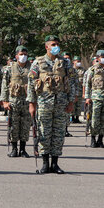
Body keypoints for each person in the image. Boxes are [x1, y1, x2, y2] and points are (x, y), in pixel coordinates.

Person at [27, 35, 78, 173]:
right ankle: (45, 163)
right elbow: (31, 84)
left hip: (61, 104)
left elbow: (72, 83)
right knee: (44, 132)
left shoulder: (65, 63)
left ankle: (55, 163)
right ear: (47, 47)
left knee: (59, 133)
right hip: (44, 103)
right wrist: (32, 104)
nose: (56, 46)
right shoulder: (38, 62)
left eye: (57, 44)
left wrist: (71, 102)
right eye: (53, 44)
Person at [0, 46, 31, 157]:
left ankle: (23, 149)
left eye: (25, 54)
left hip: (27, 102)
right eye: (21, 54)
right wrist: (4, 101)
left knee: (25, 126)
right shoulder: (9, 69)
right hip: (14, 101)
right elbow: (4, 85)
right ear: (16, 56)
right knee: (13, 126)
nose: (23, 56)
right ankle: (14, 148)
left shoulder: (32, 68)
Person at [83, 49, 104, 148]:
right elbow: (87, 84)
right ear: (98, 58)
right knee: (94, 120)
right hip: (95, 98)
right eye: (102, 57)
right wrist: (87, 97)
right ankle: (93, 138)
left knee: (103, 120)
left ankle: (100, 139)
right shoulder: (92, 70)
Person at [72, 56, 85, 123]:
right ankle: (72, 117)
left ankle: (77, 117)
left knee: (79, 104)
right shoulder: (71, 69)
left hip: (80, 89)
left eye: (79, 61)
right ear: (73, 61)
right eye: (77, 61)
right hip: (72, 89)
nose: (79, 63)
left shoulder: (82, 70)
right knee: (72, 104)